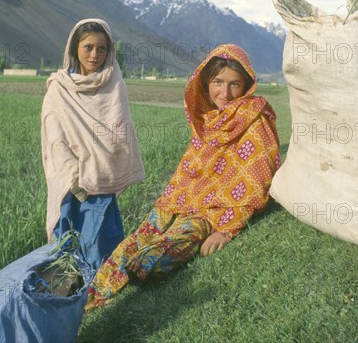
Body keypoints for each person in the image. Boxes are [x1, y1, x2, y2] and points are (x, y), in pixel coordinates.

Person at [85, 44, 280, 309]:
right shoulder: (208, 120)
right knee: (134, 241)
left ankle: (138, 269)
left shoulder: (255, 117)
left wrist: (225, 230)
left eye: (235, 84)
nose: (225, 93)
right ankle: (88, 296)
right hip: (181, 199)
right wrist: (170, 202)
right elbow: (190, 171)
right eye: (218, 82)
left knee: (156, 257)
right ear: (206, 83)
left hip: (212, 212)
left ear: (246, 85)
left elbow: (256, 182)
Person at [41, 19, 145, 271]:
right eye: (88, 47)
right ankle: (68, 287)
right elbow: (55, 137)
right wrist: (75, 175)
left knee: (101, 242)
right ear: (74, 48)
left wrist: (101, 164)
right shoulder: (59, 87)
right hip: (72, 179)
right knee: (69, 240)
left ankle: (101, 286)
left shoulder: (114, 84)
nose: (95, 55)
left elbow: (120, 132)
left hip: (102, 177)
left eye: (102, 48)